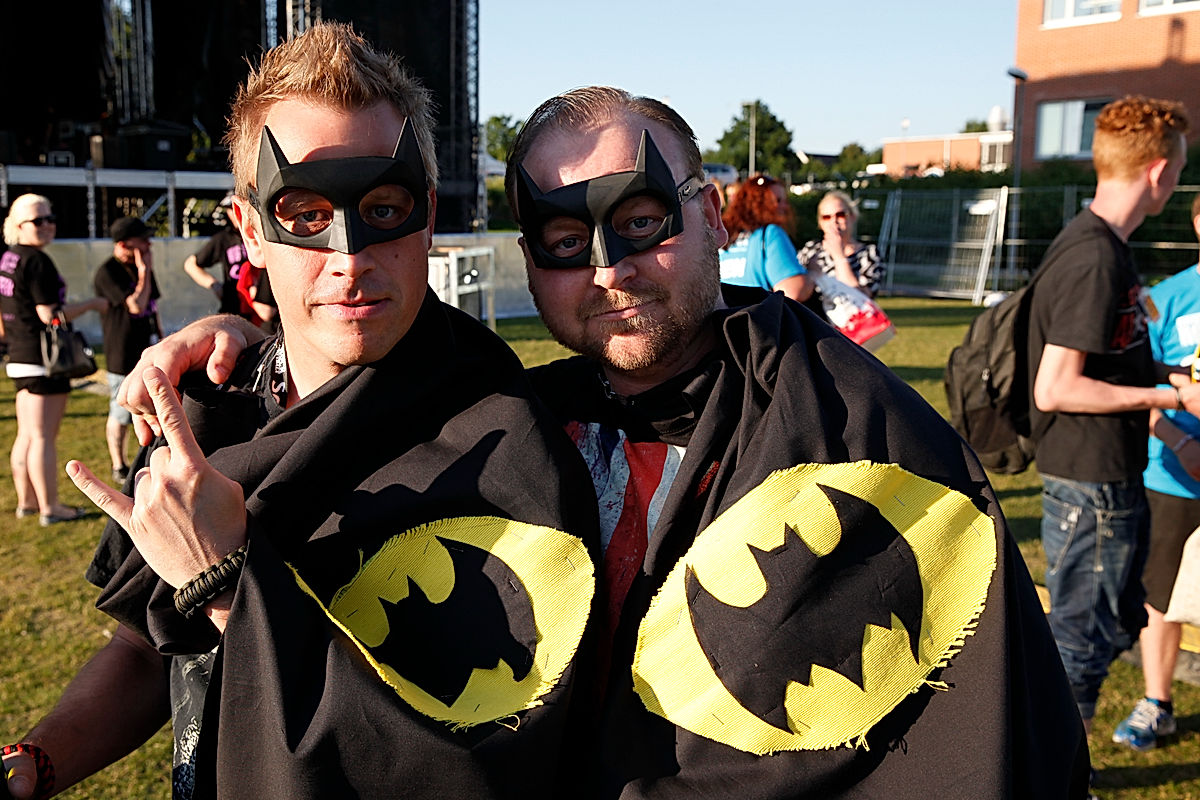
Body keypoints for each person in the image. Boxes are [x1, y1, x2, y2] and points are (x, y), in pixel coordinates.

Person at [122, 85, 1091, 798]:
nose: (611, 268)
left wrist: (219, 584)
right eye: (561, 237)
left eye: (641, 220)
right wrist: (257, 342)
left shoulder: (858, 436)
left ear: (708, 213)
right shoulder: (505, 415)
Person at [1, 23, 596, 800]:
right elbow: (148, 648)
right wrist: (32, 764)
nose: (349, 261)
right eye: (305, 215)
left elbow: (464, 757)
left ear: (425, 216)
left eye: (384, 207)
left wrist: (221, 579)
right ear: (250, 230)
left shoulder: (502, 431)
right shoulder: (209, 406)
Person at [1027, 95, 1195, 742]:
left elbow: (1112, 366)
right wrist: (1171, 401)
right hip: (1090, 481)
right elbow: (1057, 387)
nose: (1176, 183)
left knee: (1093, 634)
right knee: (1079, 643)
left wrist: (1169, 392)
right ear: (1157, 172)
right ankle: (1062, 774)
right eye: (1178, 170)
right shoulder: (1093, 255)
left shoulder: (1105, 246)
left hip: (1105, 475)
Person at [1111, 191, 1200, 751]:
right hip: (1174, 474)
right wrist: (1179, 442)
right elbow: (1131, 387)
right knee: (1161, 595)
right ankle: (1157, 703)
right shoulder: (1164, 299)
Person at [0, 194, 106, 526]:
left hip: (19, 355)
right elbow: (50, 315)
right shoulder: (36, 261)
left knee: (27, 435)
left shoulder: (9, 258)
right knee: (42, 436)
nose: (47, 225)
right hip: (42, 358)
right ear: (19, 226)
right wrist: (91, 304)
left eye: (50, 217)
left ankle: (28, 502)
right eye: (38, 221)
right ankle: (50, 507)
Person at [93, 216, 161, 484]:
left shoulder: (141, 266)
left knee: (151, 405)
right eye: (141, 241)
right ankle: (118, 463)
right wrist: (144, 272)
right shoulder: (108, 271)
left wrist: (162, 338)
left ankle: (148, 457)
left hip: (147, 347)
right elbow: (136, 305)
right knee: (120, 411)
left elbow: (152, 306)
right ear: (123, 244)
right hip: (122, 351)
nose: (148, 245)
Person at [183, 194, 278, 330]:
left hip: (262, 306)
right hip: (234, 305)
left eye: (237, 209)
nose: (233, 214)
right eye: (230, 209)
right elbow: (191, 264)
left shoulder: (263, 235)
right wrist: (214, 285)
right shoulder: (224, 239)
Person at [718, 174, 812, 302]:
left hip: (723, 318)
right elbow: (793, 290)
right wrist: (813, 276)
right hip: (756, 318)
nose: (785, 206)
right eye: (778, 201)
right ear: (760, 203)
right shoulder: (770, 234)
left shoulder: (724, 236)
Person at [797, 190, 885, 298]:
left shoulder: (869, 254)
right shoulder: (810, 250)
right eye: (826, 217)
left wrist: (839, 256)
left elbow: (861, 298)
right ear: (820, 222)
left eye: (840, 215)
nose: (834, 221)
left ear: (852, 216)